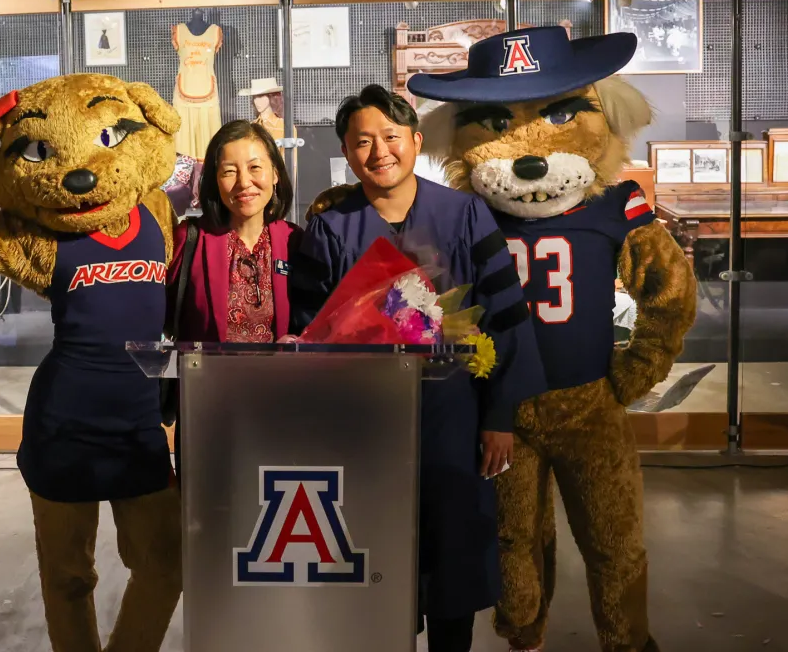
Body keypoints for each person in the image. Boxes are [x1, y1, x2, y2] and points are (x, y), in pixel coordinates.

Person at [289, 85, 547, 652]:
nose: (378, 151)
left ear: (415, 141)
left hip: (453, 418)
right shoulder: (332, 228)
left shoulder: (465, 213)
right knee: (376, 558)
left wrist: (498, 415)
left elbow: (505, 316)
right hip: (364, 427)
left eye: (390, 137)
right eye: (362, 142)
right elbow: (311, 330)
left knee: (452, 563)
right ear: (347, 152)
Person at [165, 119, 303, 469]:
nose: (244, 183)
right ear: (214, 181)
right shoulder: (189, 239)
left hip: (282, 413)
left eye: (256, 167)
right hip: (209, 416)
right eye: (229, 171)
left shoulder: (296, 242)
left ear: (275, 173)